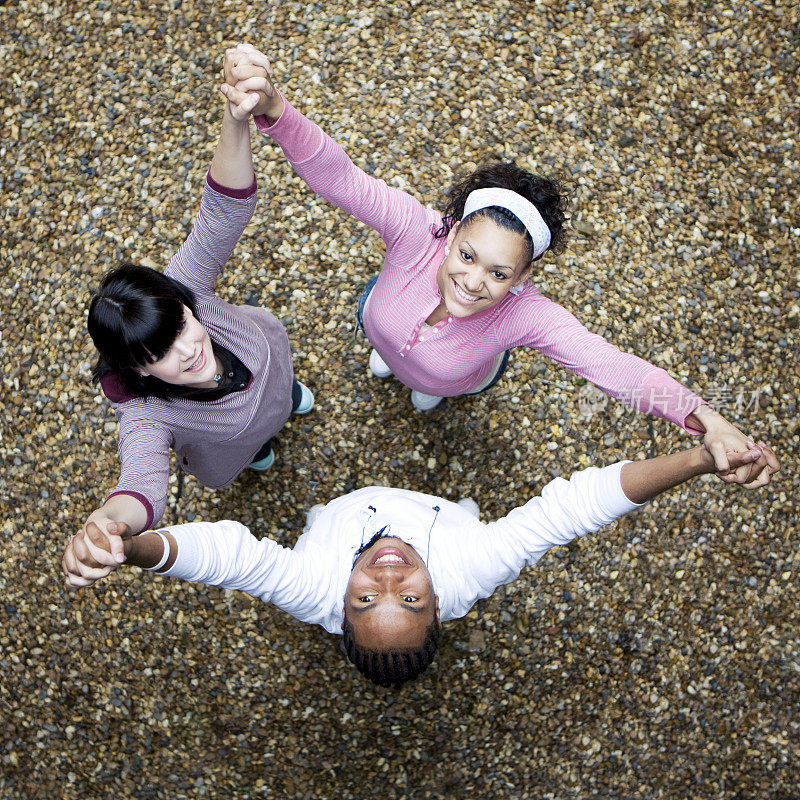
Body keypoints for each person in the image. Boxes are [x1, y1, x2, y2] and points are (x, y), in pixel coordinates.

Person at [222, 43, 777, 488]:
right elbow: (342, 178)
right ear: (451, 233)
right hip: (384, 326)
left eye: (499, 273)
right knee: (386, 343)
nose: (472, 281)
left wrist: (708, 419)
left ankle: (431, 387)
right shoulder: (415, 229)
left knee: (435, 384)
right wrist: (275, 110)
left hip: (461, 377)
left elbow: (614, 368)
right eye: (468, 256)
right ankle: (394, 360)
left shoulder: (526, 317)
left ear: (523, 278)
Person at [62, 441, 778, 688]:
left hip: (341, 509)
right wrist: (695, 461)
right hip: (447, 511)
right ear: (444, 605)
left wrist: (132, 549)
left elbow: (232, 558)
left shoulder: (312, 591)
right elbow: (572, 507)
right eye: (411, 601)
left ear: (336, 610)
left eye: (366, 602)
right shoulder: (470, 568)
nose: (389, 580)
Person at [80, 59, 315, 558]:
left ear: (184, 305)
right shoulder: (147, 411)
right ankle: (259, 451)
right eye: (160, 352)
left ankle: (288, 400)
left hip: (271, 363)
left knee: (285, 394)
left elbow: (224, 208)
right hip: (226, 446)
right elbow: (142, 481)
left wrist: (236, 118)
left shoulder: (184, 285)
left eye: (183, 325)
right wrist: (106, 524)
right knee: (254, 448)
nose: (188, 349)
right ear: (137, 369)